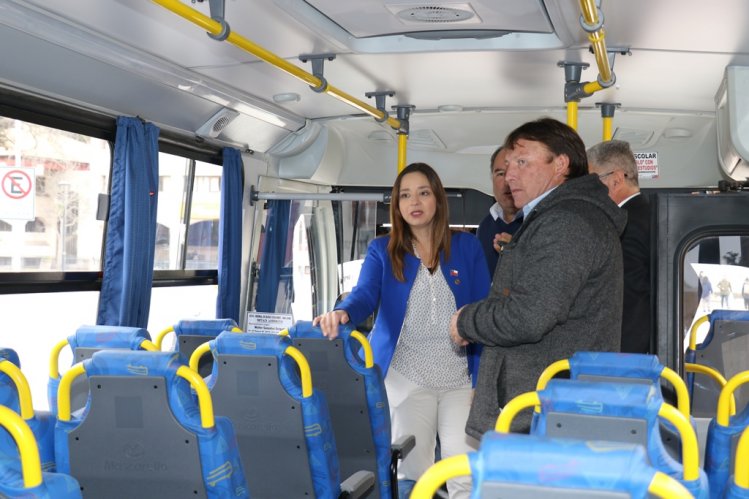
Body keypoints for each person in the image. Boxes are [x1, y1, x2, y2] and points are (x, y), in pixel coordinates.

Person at [313, 162, 490, 498]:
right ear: (396, 205)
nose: (415, 202)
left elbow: (485, 309)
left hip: (460, 377)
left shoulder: (466, 247)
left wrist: (482, 382)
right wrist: (342, 312)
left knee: (464, 470)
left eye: (423, 192)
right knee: (413, 473)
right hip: (406, 375)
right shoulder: (383, 249)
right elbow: (364, 294)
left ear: (437, 198)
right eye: (405, 195)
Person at [449, 117, 626, 436]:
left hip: (547, 413)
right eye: (507, 165)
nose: (509, 175)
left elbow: (529, 315)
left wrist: (466, 321)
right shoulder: (557, 219)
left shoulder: (567, 224)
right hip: (547, 407)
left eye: (521, 161)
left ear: (560, 163)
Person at [587, 139, 652, 354]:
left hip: (626, 351)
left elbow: (626, 299)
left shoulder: (622, 225)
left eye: (591, 184)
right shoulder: (650, 216)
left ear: (615, 180)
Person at [476, 147, 523, 275]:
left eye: (514, 172)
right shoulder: (485, 226)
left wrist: (517, 255)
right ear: (492, 178)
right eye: (501, 173)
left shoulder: (543, 221)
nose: (507, 181)